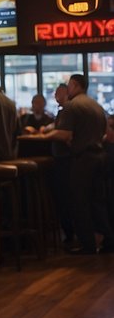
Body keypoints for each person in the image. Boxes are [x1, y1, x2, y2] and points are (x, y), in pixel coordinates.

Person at [42, 74, 110, 253]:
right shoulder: (96, 105)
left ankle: (87, 245)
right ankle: (109, 242)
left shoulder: (73, 105)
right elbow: (106, 134)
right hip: (99, 156)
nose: (68, 89)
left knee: (80, 202)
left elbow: (64, 134)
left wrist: (44, 136)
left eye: (70, 86)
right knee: (98, 202)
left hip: (82, 159)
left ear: (75, 85)